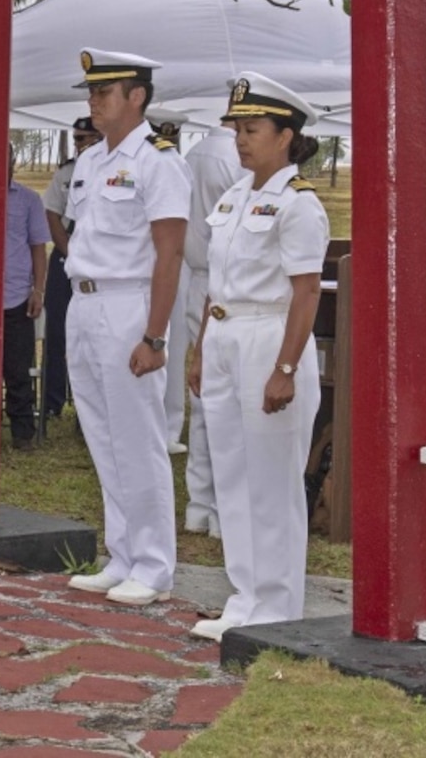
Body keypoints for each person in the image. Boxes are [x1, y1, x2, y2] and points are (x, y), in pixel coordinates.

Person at [185, 73, 327, 641]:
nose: (241, 140)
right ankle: (245, 596)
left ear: (286, 136)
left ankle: (277, 604)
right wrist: (198, 352)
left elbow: (308, 291)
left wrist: (286, 368)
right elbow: (215, 285)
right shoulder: (233, 196)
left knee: (272, 481)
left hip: (270, 338)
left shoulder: (298, 205)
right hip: (224, 336)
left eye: (253, 129)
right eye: (237, 129)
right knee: (234, 475)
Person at [62, 49, 190, 607]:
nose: (93, 101)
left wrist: (155, 335)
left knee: (139, 441)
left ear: (136, 97)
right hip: (84, 303)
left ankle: (156, 565)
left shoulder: (159, 161)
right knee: (103, 437)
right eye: (91, 92)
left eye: (104, 92)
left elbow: (170, 253)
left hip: (129, 306)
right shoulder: (90, 162)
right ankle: (123, 554)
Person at [179, 118, 242, 539]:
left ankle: (200, 503)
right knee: (228, 402)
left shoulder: (192, 155)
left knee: (203, 399)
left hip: (197, 277)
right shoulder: (234, 160)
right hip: (228, 284)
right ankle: (221, 507)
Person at [42, 117, 101, 419]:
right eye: (78, 138)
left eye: (89, 137)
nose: (82, 144)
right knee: (57, 331)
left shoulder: (108, 171)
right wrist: (69, 251)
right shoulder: (66, 172)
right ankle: (52, 401)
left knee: (92, 335)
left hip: (99, 264)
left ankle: (86, 409)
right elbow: (52, 214)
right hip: (67, 258)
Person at [147, 106, 194, 456]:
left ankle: (170, 424)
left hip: (175, 265)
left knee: (171, 345)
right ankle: (156, 424)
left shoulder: (177, 168)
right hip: (139, 271)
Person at [3, 144, 51, 450]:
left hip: (16, 296)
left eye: (5, 158)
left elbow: (37, 247)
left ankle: (23, 433)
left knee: (18, 369)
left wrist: (38, 289)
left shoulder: (29, 200)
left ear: (13, 161)